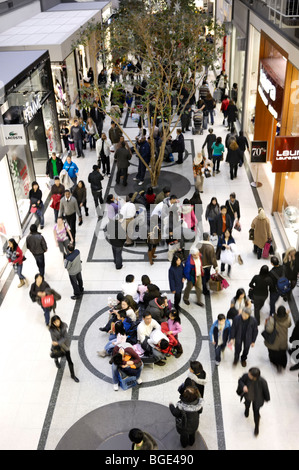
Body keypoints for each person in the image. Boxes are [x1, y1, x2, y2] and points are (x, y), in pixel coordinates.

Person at [237, 367, 270, 436]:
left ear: (255, 377)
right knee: (247, 404)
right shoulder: (246, 376)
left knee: (256, 413)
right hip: (248, 396)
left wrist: (267, 398)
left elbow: (266, 391)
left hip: (257, 399)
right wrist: (243, 386)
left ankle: (256, 426)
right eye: (249, 373)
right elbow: (240, 380)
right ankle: (247, 409)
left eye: (250, 374)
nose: (248, 375)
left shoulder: (262, 381)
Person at [49, 315, 79, 382]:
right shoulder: (52, 330)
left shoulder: (63, 326)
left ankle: (73, 375)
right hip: (57, 347)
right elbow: (54, 340)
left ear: (59, 320)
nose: (57, 323)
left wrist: (58, 342)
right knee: (56, 354)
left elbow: (65, 337)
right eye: (55, 322)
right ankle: (56, 361)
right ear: (53, 323)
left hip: (65, 346)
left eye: (58, 321)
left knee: (70, 361)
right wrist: (57, 343)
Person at [263, 305, 291, 372]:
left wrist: (266, 324)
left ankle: (276, 364)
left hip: (274, 341)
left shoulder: (272, 320)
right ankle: (282, 365)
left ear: (277, 312)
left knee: (273, 354)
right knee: (282, 354)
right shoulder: (288, 318)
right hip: (283, 341)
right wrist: (287, 314)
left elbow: (269, 330)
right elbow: (289, 325)